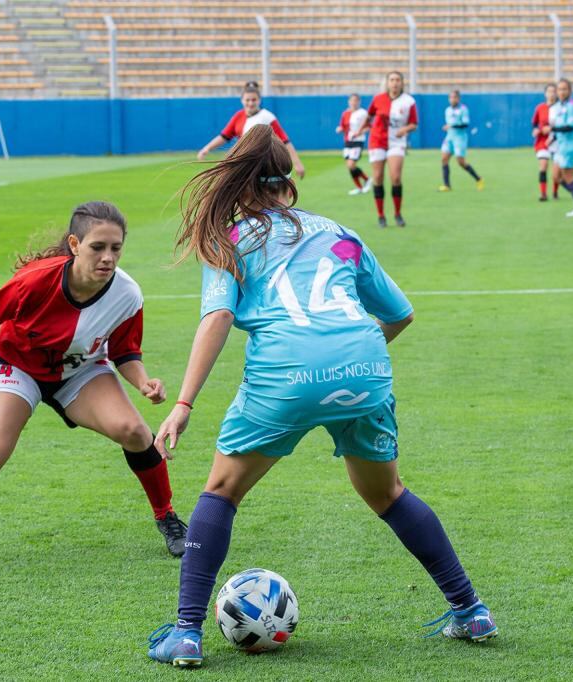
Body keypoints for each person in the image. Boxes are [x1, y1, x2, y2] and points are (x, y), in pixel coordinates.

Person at [145, 125, 497, 668]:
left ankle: (187, 633)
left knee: (220, 492)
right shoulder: (340, 232)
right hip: (364, 365)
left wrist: (184, 404)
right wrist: (350, 356)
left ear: (240, 187)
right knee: (389, 494)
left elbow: (217, 317)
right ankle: (470, 609)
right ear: (288, 182)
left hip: (285, 373)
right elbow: (400, 314)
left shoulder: (232, 239)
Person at [0, 201, 188, 574]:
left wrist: (143, 382)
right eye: (97, 247)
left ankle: (168, 517)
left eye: (116, 248)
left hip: (79, 371)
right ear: (74, 244)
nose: (108, 257)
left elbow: (124, 350)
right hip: (17, 366)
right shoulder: (33, 281)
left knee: (135, 432)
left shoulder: (127, 293)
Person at [197, 81, 305, 179]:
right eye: (247, 100)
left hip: (263, 163)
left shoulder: (267, 117)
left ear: (259, 100)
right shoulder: (238, 116)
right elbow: (224, 136)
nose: (250, 103)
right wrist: (207, 148)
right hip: (243, 162)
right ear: (242, 100)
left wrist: (297, 163)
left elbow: (285, 141)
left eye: (254, 100)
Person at [357, 71, 417, 228]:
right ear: (387, 83)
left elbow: (414, 124)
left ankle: (397, 213)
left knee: (395, 177)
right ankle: (381, 215)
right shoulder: (378, 99)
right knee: (377, 177)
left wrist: (404, 130)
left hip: (397, 142)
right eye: (392, 80)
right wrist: (362, 129)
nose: (395, 83)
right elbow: (369, 116)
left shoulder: (409, 101)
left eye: (398, 80)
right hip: (377, 141)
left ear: (402, 83)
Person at [544, 79, 573, 217]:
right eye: (559, 89)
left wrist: (552, 128)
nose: (562, 92)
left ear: (569, 91)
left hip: (570, 146)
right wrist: (552, 138)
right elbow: (560, 127)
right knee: (556, 177)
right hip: (561, 145)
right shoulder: (559, 106)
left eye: (565, 89)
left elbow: (570, 126)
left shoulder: (572, 106)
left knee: (568, 177)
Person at [438, 90, 483, 192]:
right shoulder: (447, 110)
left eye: (454, 97)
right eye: (451, 97)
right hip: (449, 137)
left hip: (460, 138)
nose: (452, 99)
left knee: (461, 162)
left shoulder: (463, 109)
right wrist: (449, 127)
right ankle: (447, 185)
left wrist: (451, 126)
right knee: (444, 159)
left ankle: (478, 178)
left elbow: (465, 124)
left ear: (458, 98)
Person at [335, 93, 371, 195]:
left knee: (351, 164)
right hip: (348, 141)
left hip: (358, 141)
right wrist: (339, 129)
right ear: (349, 102)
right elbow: (342, 126)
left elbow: (369, 126)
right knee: (349, 166)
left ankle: (367, 179)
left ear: (359, 102)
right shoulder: (345, 113)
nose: (354, 102)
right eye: (352, 100)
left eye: (356, 100)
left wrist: (361, 132)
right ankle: (359, 187)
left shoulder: (363, 113)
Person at [531, 84, 558, 201]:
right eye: (549, 91)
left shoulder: (559, 108)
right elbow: (534, 123)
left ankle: (555, 192)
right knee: (543, 165)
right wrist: (536, 130)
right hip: (543, 141)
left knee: (557, 172)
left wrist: (551, 130)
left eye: (553, 91)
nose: (551, 94)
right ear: (545, 93)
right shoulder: (540, 107)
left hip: (557, 141)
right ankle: (543, 194)